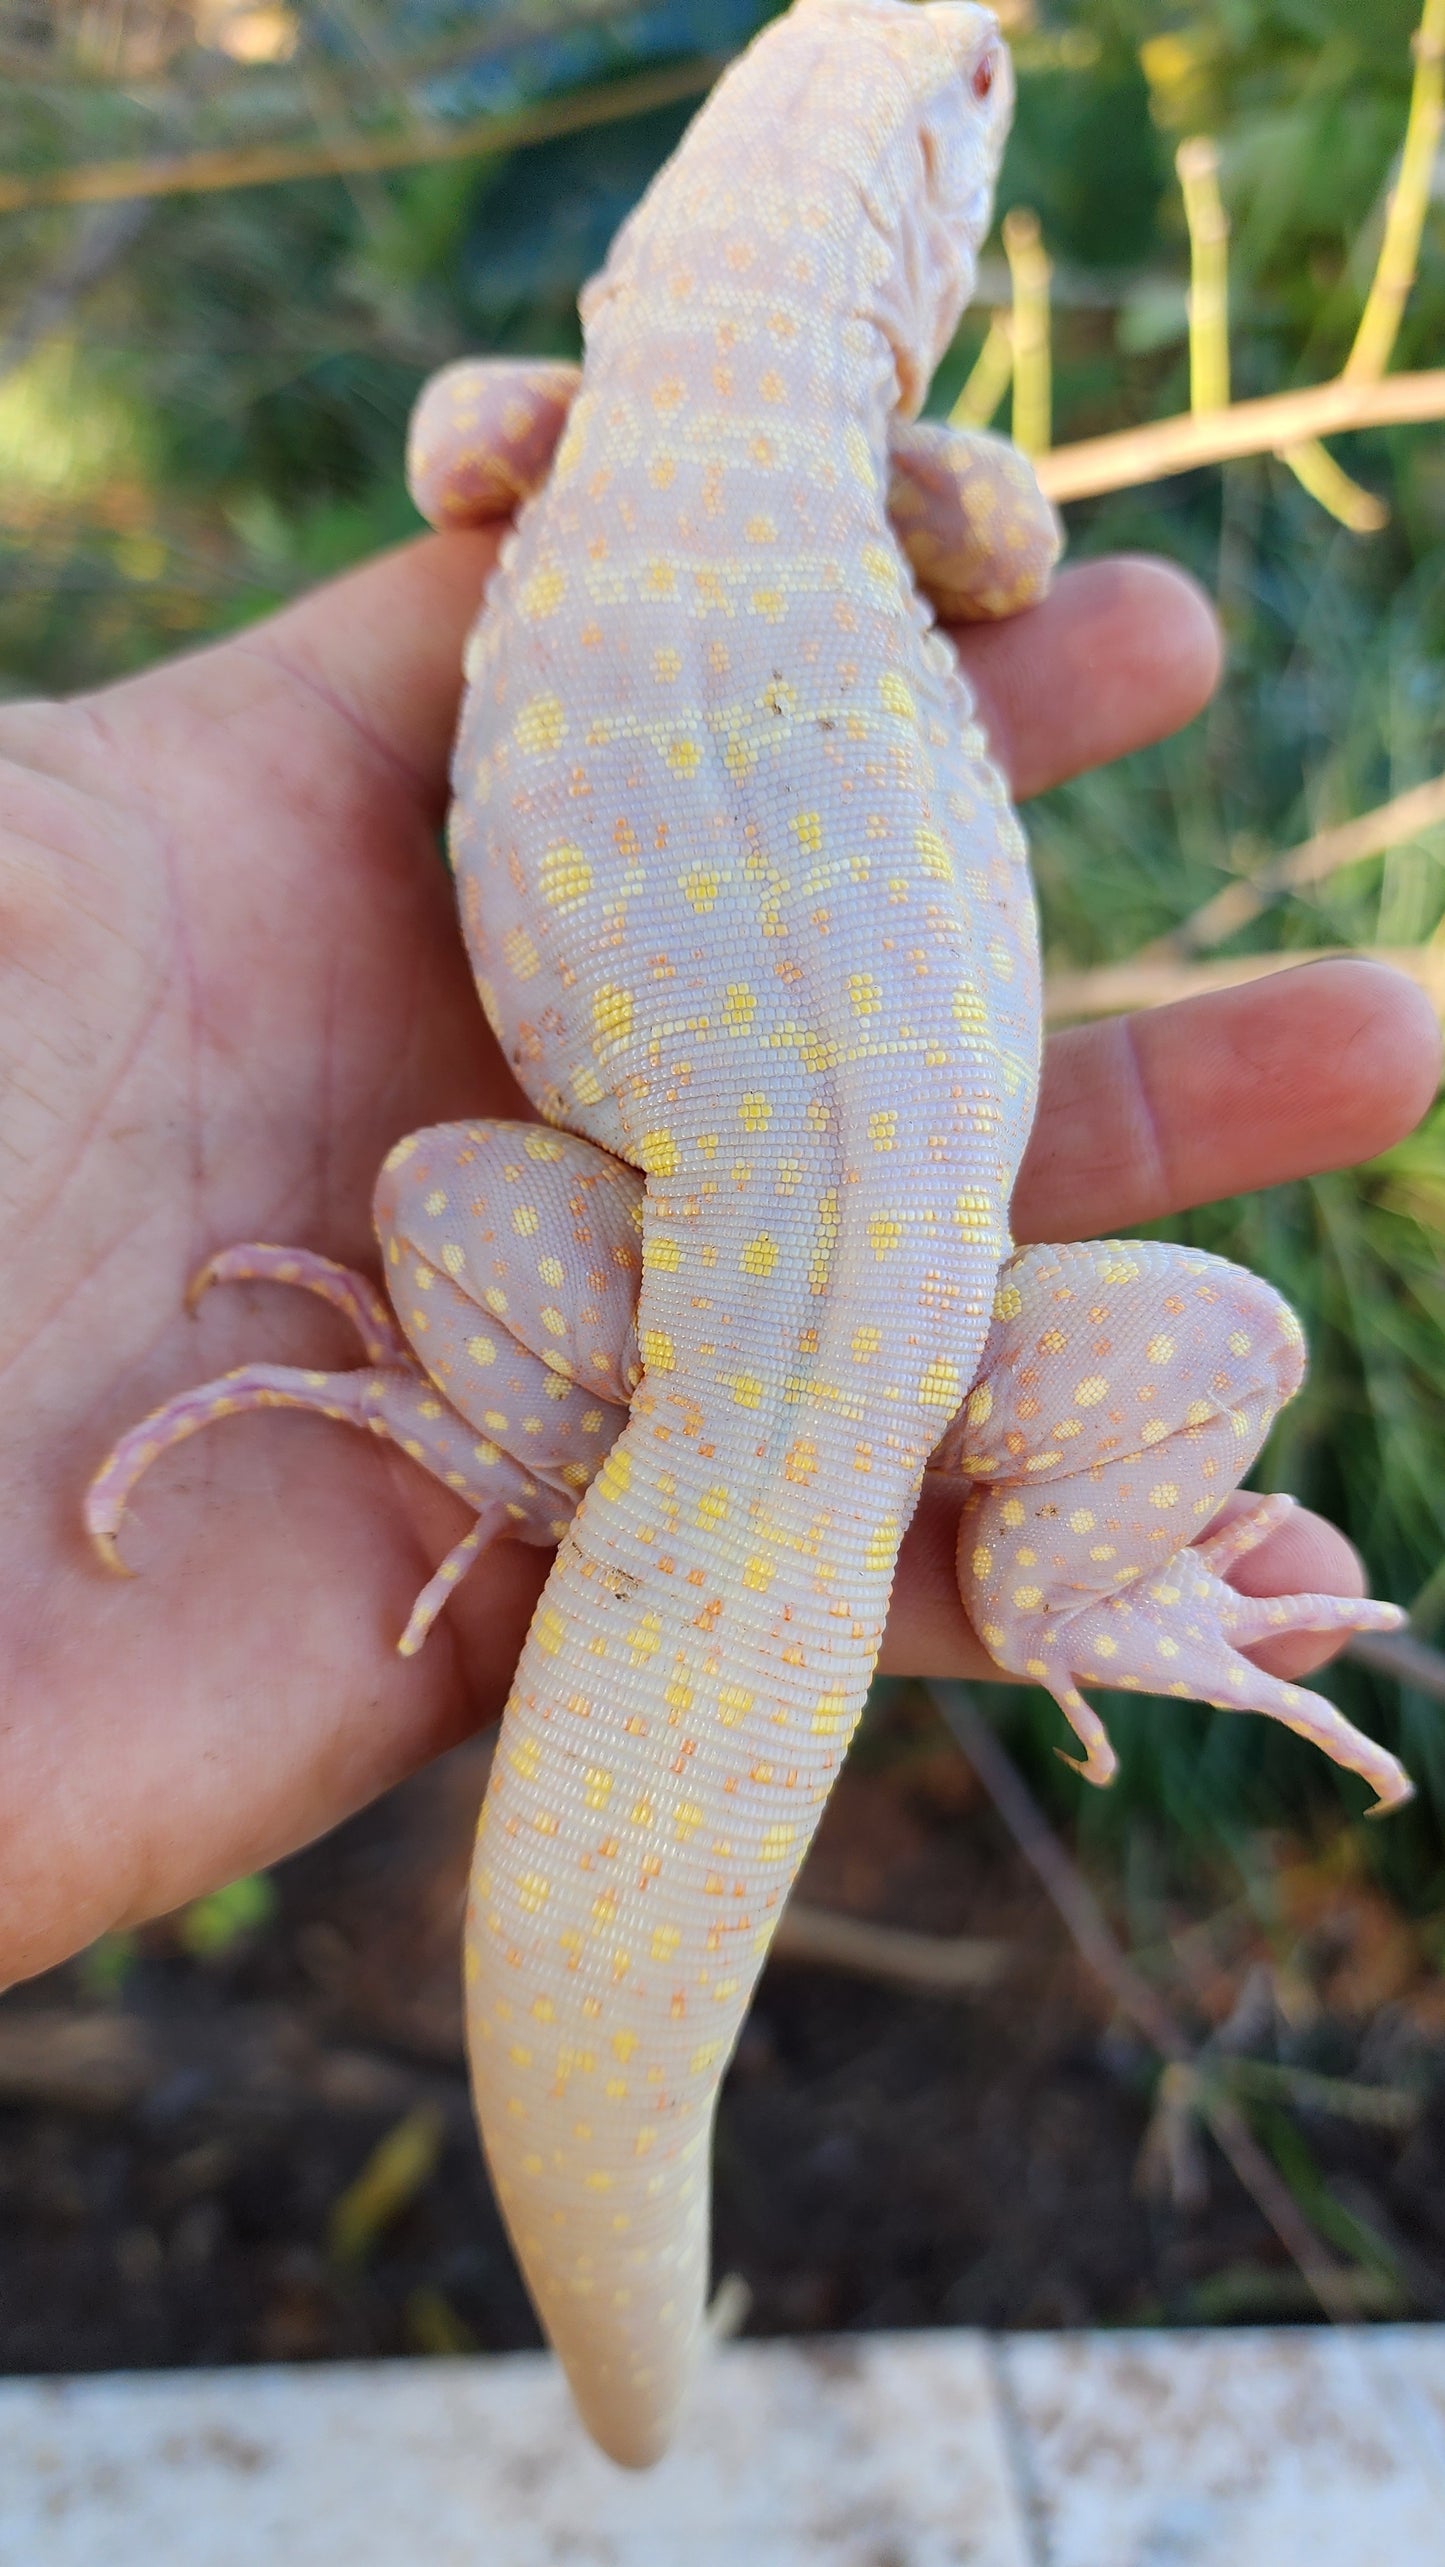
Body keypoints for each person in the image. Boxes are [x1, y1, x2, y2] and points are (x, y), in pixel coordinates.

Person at [0, 526, 1435, 1988]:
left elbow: (458, 438)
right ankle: (1047, 1594)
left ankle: (952, 1574)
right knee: (1238, 1345)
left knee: (432, 1182)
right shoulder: (872, 492)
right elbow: (1003, 538)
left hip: (696, 1325)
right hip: (866, 1299)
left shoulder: (577, 471)